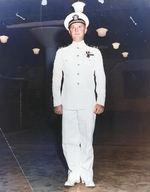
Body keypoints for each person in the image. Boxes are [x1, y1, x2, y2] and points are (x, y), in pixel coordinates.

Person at [52, 12, 106, 188]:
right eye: (73, 27)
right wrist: (57, 101)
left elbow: (101, 78)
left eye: (79, 27)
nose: (76, 30)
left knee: (86, 139)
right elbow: (56, 79)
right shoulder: (61, 53)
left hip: (88, 103)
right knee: (69, 140)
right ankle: (73, 173)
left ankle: (87, 174)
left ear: (85, 29)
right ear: (69, 31)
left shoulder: (94, 52)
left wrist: (101, 100)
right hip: (67, 103)